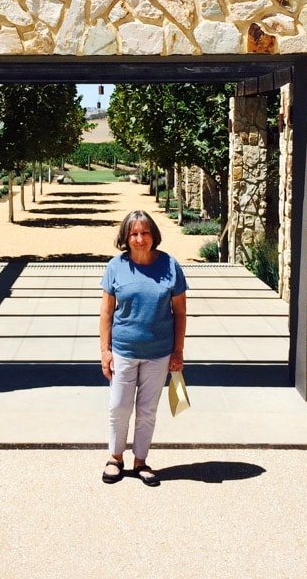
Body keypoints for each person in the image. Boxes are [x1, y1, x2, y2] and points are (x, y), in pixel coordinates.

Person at [99, 209, 187, 487]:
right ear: (125, 237)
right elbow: (106, 312)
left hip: (158, 353)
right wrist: (105, 351)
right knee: (119, 407)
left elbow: (181, 313)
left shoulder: (171, 266)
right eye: (133, 233)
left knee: (148, 409)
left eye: (144, 232)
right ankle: (115, 457)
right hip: (123, 349)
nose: (139, 239)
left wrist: (178, 352)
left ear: (153, 235)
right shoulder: (116, 266)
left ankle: (140, 460)